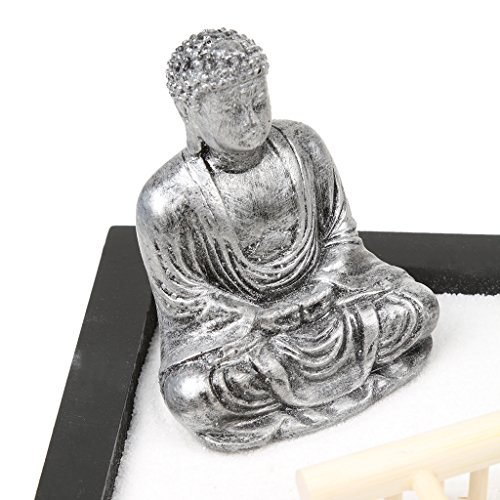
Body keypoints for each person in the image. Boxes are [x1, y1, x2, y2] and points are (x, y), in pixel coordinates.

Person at [136, 28, 439, 451]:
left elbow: (340, 235)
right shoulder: (167, 200)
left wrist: (320, 287)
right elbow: (187, 302)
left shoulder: (303, 145)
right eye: (231, 111)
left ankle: (293, 391)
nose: (251, 121)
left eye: (258, 103)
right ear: (190, 112)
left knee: (417, 307)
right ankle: (316, 379)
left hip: (329, 301)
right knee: (191, 394)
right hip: (249, 335)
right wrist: (258, 316)